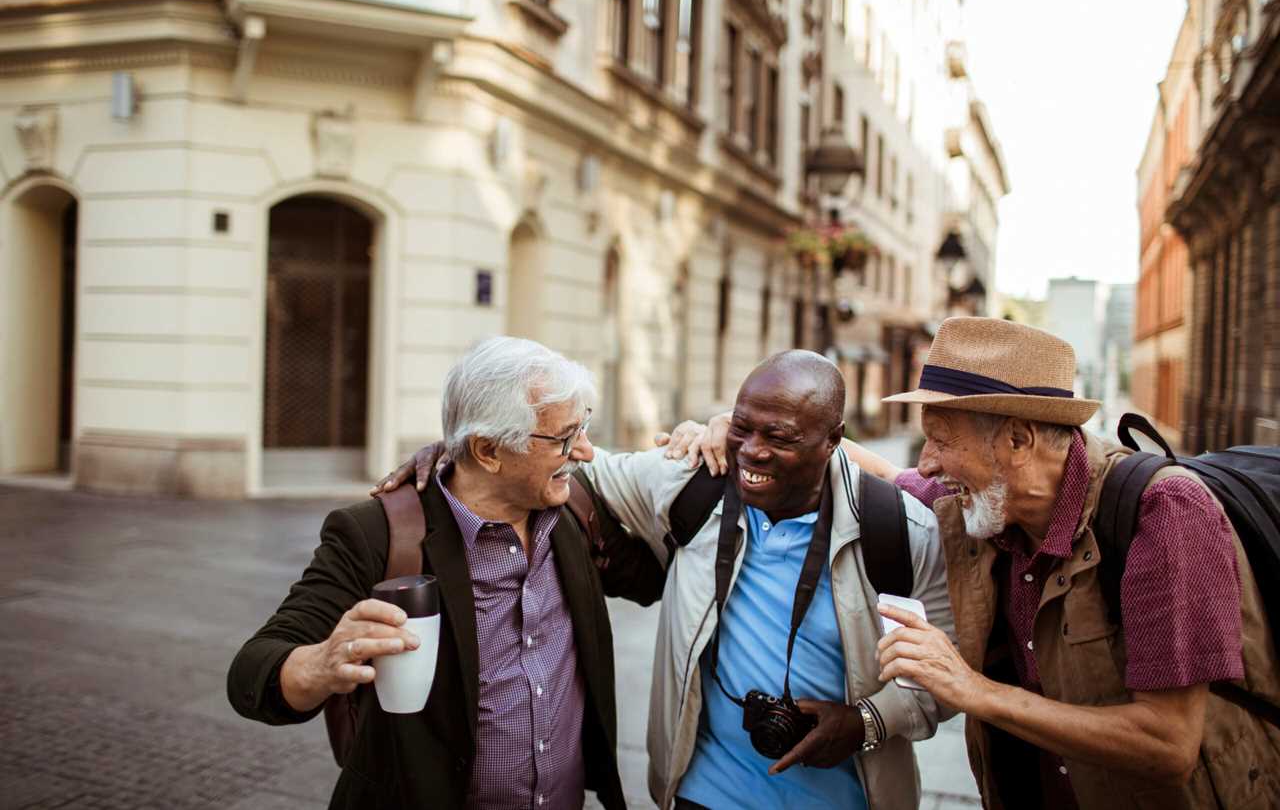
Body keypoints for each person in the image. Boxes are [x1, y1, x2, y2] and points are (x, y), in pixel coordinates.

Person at [384, 349, 954, 810]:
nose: (752, 452)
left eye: (779, 437)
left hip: (851, 797)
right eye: (742, 427)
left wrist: (865, 722)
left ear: (834, 440)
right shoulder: (694, 480)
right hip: (700, 790)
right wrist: (460, 452)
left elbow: (944, 678)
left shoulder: (901, 532)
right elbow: (576, 466)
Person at [750, 316, 1279, 808]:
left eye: (940, 440)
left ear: (1019, 439)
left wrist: (971, 689)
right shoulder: (983, 503)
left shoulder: (1165, 514)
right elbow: (888, 478)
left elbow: (1169, 745)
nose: (928, 463)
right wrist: (748, 432)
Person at [227, 337, 666, 810]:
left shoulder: (574, 511)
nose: (584, 451)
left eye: (583, 427)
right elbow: (253, 673)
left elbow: (657, 578)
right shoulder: (378, 534)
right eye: (563, 437)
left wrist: (720, 441)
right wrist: (322, 663)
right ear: (488, 450)